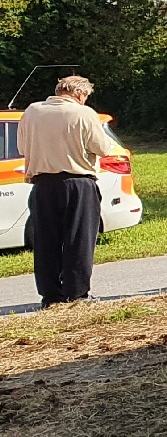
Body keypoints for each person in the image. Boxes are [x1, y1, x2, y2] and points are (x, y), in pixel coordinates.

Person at [19, 74, 113, 306]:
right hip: (78, 182)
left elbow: (22, 146)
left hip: (42, 184)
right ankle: (77, 294)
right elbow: (103, 148)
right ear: (80, 94)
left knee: (45, 242)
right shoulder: (83, 114)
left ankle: (50, 296)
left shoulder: (32, 111)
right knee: (78, 240)